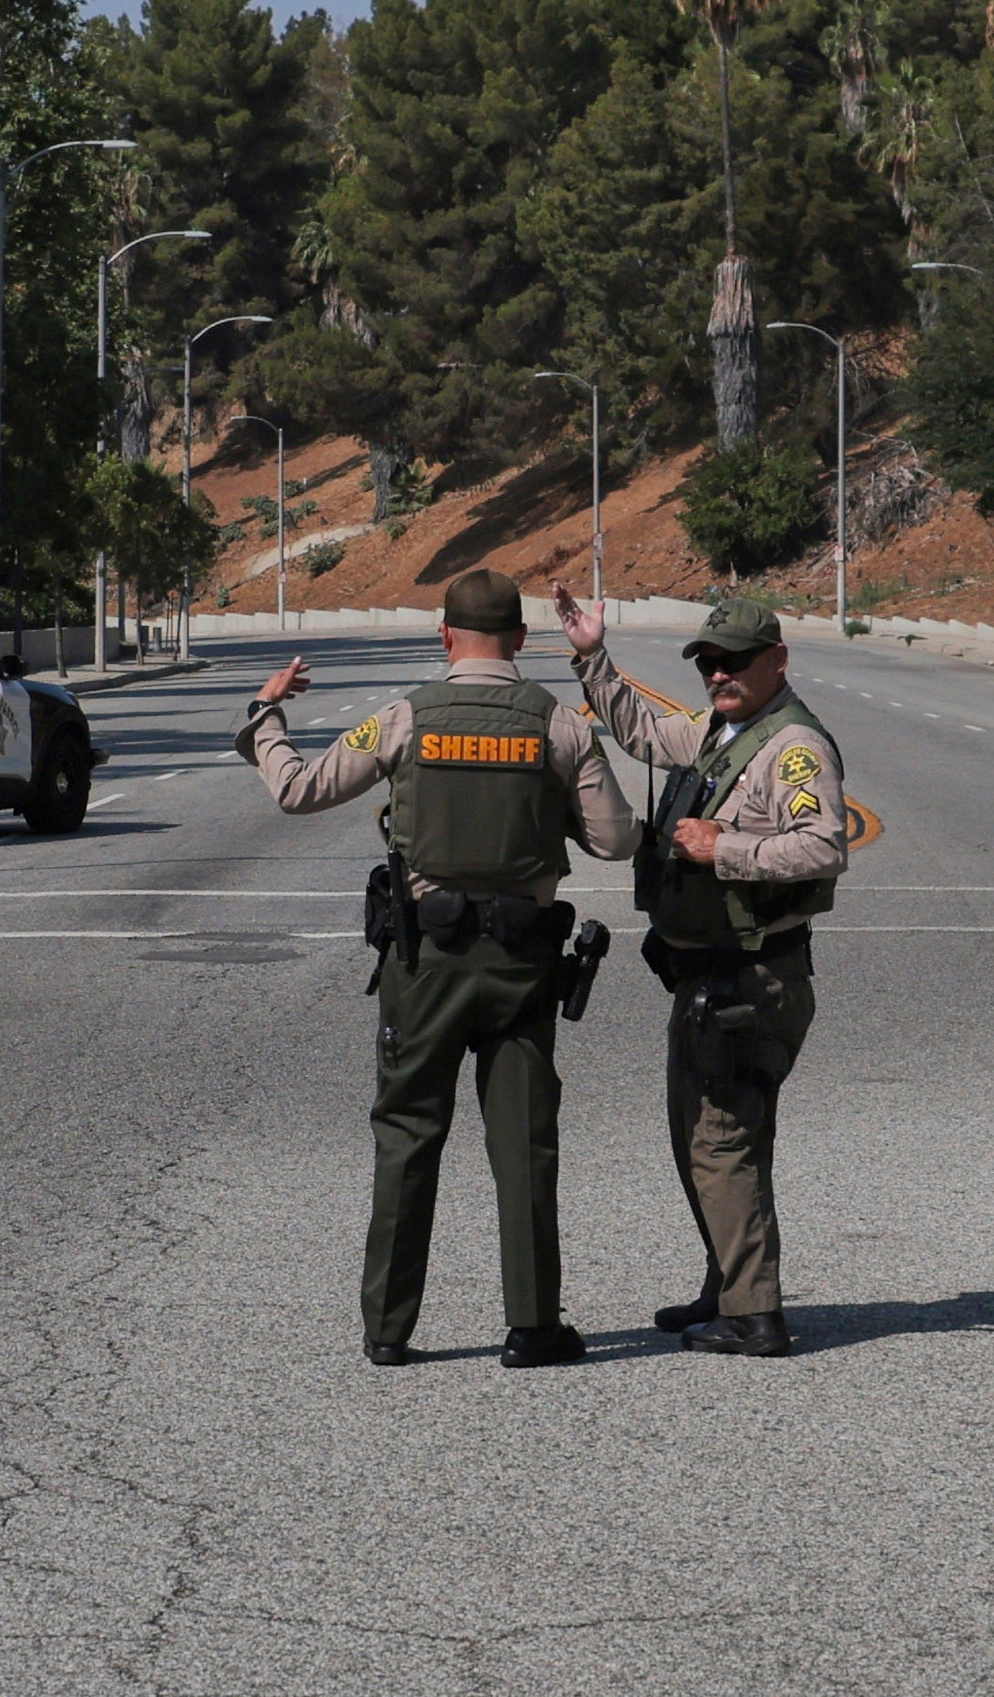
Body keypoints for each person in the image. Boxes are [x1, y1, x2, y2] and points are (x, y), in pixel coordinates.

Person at [237, 564, 637, 1368]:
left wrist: (265, 715)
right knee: (523, 1139)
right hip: (521, 963)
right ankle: (533, 1324)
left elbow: (299, 790)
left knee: (408, 1134)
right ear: (520, 637)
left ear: (446, 635)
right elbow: (617, 838)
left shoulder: (404, 718)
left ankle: (388, 1328)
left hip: (425, 961)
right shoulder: (560, 725)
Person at [561, 588, 846, 1357]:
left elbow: (824, 845)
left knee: (722, 1139)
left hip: (752, 976)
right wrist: (593, 657)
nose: (719, 674)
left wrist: (724, 848)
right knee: (700, 1134)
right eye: (708, 662)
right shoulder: (723, 731)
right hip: (708, 976)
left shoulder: (792, 747)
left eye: (734, 661)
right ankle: (726, 1284)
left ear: (777, 659)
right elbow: (642, 731)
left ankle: (754, 1315)